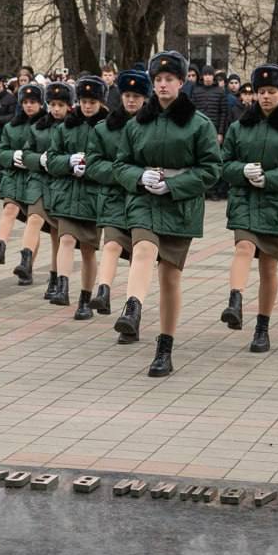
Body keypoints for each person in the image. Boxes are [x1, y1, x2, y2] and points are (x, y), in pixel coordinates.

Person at [112, 50, 222, 377]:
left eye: (169, 80)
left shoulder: (198, 124)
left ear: (181, 82)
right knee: (144, 249)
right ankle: (133, 308)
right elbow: (121, 164)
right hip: (144, 200)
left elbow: (211, 169)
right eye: (158, 80)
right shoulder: (137, 124)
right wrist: (138, 177)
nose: (162, 85)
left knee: (170, 277)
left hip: (179, 206)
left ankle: (165, 346)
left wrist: (175, 184)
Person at [218, 64, 278, 353]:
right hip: (245, 201)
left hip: (276, 205)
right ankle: (235, 301)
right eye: (261, 92)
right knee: (243, 248)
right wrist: (242, 170)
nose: (265, 97)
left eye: (272, 92)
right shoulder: (239, 127)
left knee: (268, 268)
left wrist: (271, 178)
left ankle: (262, 326)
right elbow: (224, 164)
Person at [84, 71, 148, 334]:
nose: (131, 101)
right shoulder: (105, 128)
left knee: (139, 257)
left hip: (144, 199)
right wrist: (121, 174)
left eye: (136, 96)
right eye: (127, 96)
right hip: (113, 197)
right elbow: (94, 163)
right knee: (110, 244)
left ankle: (131, 314)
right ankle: (104, 290)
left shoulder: (152, 127)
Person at [46, 76, 111, 317]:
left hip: (93, 197)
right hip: (67, 194)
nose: (87, 106)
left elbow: (115, 162)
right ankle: (62, 287)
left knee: (88, 250)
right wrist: (68, 161)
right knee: (65, 239)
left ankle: (85, 299)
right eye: (84, 101)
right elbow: (52, 159)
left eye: (92, 101)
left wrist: (91, 168)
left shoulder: (109, 127)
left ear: (101, 102)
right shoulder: (66, 127)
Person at [22, 82, 71, 297]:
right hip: (41, 180)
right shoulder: (38, 127)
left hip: (63, 184)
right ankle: (26, 258)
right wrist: (39, 159)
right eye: (52, 104)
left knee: (57, 235)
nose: (56, 109)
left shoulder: (74, 127)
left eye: (60, 104)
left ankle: (54, 276)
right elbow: (26, 153)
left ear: (69, 105)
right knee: (34, 216)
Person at [0, 83, 45, 272]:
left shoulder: (46, 125)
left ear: (41, 103)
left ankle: (27, 264)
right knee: (10, 208)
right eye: (25, 102)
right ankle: (1, 245)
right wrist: (13, 156)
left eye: (33, 102)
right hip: (15, 175)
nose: (29, 106)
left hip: (36, 177)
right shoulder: (12, 126)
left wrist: (34, 160)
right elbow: (1, 152)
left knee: (34, 220)